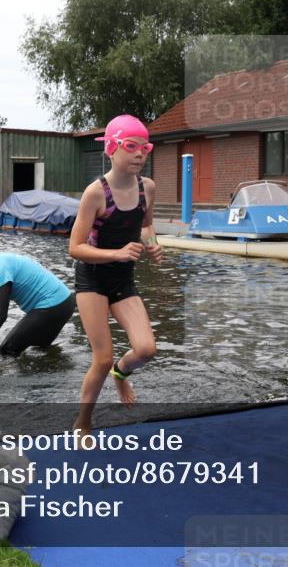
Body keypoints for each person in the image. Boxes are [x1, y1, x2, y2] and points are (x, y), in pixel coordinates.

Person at [69, 114, 162, 438]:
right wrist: (117, 253)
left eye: (145, 147)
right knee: (102, 357)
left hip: (123, 279)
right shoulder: (95, 193)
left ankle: (121, 375)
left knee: (146, 349)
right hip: (92, 279)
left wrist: (152, 244)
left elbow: (146, 225)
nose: (140, 153)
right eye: (131, 146)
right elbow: (75, 247)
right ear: (111, 148)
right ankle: (83, 423)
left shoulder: (146, 188)